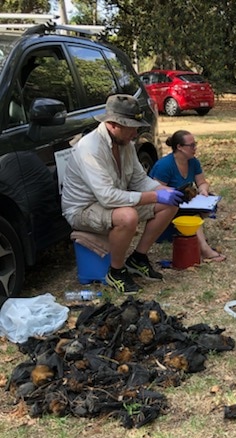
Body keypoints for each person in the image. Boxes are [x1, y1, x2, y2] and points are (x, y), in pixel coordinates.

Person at [61, 94, 183, 294]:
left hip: (109, 202)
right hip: (82, 210)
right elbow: (107, 197)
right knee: (128, 216)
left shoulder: (125, 144)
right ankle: (115, 271)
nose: (135, 133)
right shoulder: (89, 148)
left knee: (170, 203)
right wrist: (155, 196)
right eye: (131, 127)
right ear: (113, 124)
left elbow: (139, 180)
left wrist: (167, 192)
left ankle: (138, 258)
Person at [149, 130, 226, 262]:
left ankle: (192, 234)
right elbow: (155, 190)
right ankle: (204, 248)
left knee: (209, 202)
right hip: (166, 204)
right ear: (179, 147)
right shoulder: (165, 165)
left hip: (184, 201)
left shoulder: (193, 162)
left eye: (195, 144)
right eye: (191, 145)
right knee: (192, 212)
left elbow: (202, 182)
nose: (194, 148)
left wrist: (203, 191)